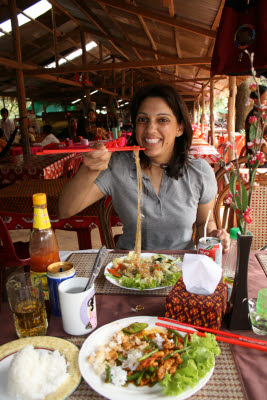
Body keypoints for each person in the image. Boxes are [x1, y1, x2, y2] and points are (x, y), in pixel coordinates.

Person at [58, 84, 230, 252]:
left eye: (162, 120)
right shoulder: (118, 165)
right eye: (142, 119)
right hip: (128, 270)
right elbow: (65, 210)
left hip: (181, 268)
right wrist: (90, 169)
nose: (150, 129)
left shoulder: (198, 172)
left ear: (180, 128)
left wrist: (213, 237)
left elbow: (204, 223)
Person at [245, 85, 267, 163]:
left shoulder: (263, 115)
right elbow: (257, 140)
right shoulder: (254, 117)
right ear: (256, 100)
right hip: (258, 159)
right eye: (265, 99)